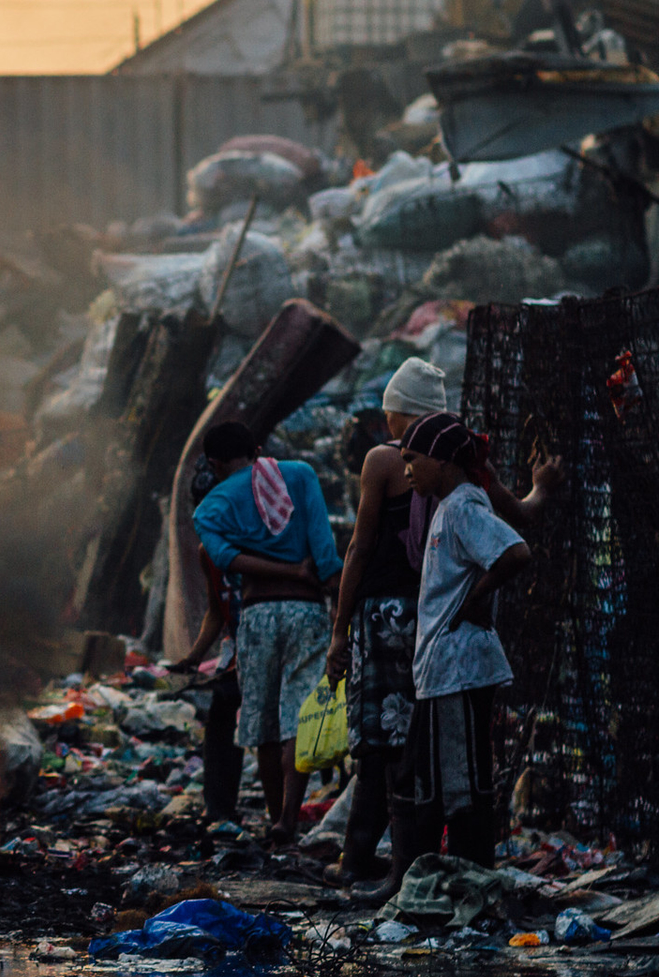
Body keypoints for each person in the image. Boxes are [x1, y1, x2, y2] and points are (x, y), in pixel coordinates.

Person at [328, 360, 562, 885]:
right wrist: (540, 487)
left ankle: (395, 868)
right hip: (432, 636)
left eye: (394, 418)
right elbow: (521, 515)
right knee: (421, 760)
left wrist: (339, 628)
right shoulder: (464, 477)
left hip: (414, 633)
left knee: (408, 759)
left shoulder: (410, 474)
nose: (405, 464)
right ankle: (408, 873)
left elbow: (361, 549)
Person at [351, 412, 536, 904]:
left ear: (442, 461)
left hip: (458, 669)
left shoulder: (461, 507)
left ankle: (468, 883)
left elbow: (514, 552)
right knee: (424, 777)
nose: (406, 471)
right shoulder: (445, 507)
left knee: (460, 784)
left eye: (413, 461)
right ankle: (416, 880)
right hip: (440, 670)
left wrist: (478, 597)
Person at [191, 420, 342, 845]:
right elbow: (325, 552)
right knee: (297, 715)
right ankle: (289, 819)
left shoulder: (209, 508)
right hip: (305, 609)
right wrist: (334, 599)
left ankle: (275, 815)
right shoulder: (298, 474)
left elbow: (225, 560)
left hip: (255, 617)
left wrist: (277, 567)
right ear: (257, 449)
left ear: (215, 464)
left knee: (262, 722)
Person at [171, 544, 245, 825]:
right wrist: (194, 657)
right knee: (221, 721)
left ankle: (283, 819)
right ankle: (219, 808)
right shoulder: (208, 552)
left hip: (264, 644)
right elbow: (217, 609)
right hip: (234, 651)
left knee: (269, 732)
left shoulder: (253, 537)